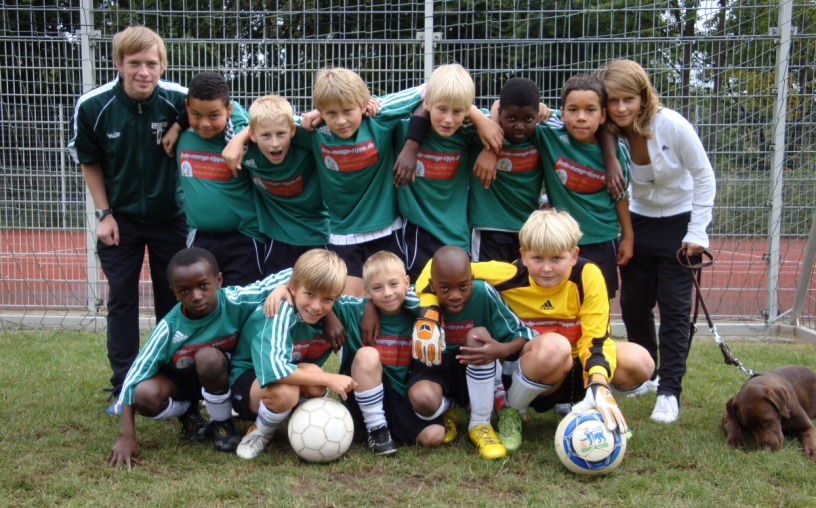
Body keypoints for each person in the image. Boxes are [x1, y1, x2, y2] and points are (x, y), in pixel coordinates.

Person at [414, 210, 654, 452]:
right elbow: (435, 267)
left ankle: (595, 407)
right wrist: (431, 312)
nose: (546, 268)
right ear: (523, 256)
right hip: (532, 367)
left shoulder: (588, 276)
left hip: (576, 367)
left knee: (642, 361)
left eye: (557, 259)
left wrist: (599, 384)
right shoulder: (510, 275)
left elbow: (596, 337)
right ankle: (512, 410)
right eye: (537, 258)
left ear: (574, 255)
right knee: (555, 346)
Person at [67, 26, 188, 414]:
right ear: (119, 63)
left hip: (172, 218)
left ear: (162, 65)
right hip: (120, 220)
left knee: (175, 300)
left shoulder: (180, 101)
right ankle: (124, 386)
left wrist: (180, 123)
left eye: (151, 63)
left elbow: (221, 112)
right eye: (134, 63)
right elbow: (89, 160)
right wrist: (104, 213)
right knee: (122, 299)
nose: (143, 72)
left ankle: (174, 383)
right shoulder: (93, 106)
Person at [222, 69, 426, 296]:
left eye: (348, 110)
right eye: (331, 113)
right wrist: (240, 138)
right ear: (320, 111)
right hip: (341, 235)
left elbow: (429, 89)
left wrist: (410, 144)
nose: (341, 121)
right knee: (350, 308)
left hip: (388, 229)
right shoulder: (312, 128)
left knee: (391, 300)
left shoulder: (379, 116)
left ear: (363, 104)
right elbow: (271, 125)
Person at [596, 59, 716, 424]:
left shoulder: (672, 125)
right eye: (613, 101)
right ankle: (648, 373)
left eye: (628, 99)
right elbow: (573, 112)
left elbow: (704, 176)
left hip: (680, 225)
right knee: (633, 305)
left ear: (643, 97)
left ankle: (669, 391)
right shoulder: (608, 131)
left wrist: (697, 232)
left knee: (676, 310)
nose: (620, 108)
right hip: (638, 223)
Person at [107, 248, 293, 469]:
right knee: (144, 395)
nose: (195, 296)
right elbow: (133, 378)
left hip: (221, 376)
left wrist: (282, 289)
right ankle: (188, 411)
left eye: (203, 286)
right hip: (182, 382)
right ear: (174, 293)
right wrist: (126, 435)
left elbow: (296, 273)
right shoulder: (169, 327)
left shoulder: (235, 300)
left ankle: (222, 425)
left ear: (218, 280)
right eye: (184, 290)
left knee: (208, 358)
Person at [407, 245, 536, 460]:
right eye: (445, 289)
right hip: (434, 369)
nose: (456, 296)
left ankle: (480, 424)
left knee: (478, 334)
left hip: (472, 370)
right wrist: (372, 311)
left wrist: (500, 349)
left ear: (472, 280)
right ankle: (446, 408)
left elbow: (522, 332)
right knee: (422, 399)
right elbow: (387, 300)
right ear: (431, 285)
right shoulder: (419, 298)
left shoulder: (483, 292)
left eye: (463, 286)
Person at [227, 249, 357, 460]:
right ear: (293, 288)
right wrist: (330, 378)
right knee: (287, 390)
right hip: (248, 381)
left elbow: (363, 304)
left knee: (315, 379)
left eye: (327, 299)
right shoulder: (280, 309)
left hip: (282, 375)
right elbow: (276, 371)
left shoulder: (333, 309)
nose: (316, 306)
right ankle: (260, 432)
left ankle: (304, 426)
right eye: (310, 295)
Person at [391, 64, 503, 280]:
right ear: (427, 103)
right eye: (442, 109)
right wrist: (411, 145)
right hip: (416, 235)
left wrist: (490, 148)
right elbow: (373, 107)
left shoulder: (469, 132)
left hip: (457, 235)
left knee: (457, 301)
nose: (448, 119)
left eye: (458, 111)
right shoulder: (401, 126)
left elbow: (502, 112)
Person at [335, 252, 446, 454]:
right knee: (367, 354)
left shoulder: (420, 309)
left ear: (406, 282)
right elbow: (320, 297)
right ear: (366, 291)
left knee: (435, 435)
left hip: (400, 396)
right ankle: (377, 429)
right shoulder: (355, 310)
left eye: (393, 284)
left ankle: (442, 408)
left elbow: (441, 291)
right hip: (362, 392)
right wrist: (331, 318)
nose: (387, 293)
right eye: (377, 288)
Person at [536, 74, 633, 299]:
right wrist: (539, 108)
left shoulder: (617, 150)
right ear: (562, 111)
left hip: (602, 239)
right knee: (562, 304)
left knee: (598, 303)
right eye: (572, 110)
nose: (581, 117)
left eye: (590, 110)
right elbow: (511, 110)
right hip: (562, 243)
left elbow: (620, 196)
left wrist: (627, 236)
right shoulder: (549, 133)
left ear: (603, 115)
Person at [172, 72, 266, 287]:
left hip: (244, 238)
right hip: (200, 239)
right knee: (204, 306)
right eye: (196, 114)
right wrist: (178, 125)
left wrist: (239, 138)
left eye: (214, 115)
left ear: (228, 110)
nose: (204, 123)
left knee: (242, 305)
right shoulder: (182, 136)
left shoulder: (240, 136)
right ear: (187, 109)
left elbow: (266, 124)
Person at [243, 94, 330, 274]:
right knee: (276, 297)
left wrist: (322, 112)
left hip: (318, 234)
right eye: (266, 135)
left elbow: (344, 118)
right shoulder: (243, 151)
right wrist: (237, 140)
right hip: (276, 239)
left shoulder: (308, 138)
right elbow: (228, 109)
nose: (275, 144)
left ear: (292, 130)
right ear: (251, 134)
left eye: (281, 134)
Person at [468, 77, 545, 263]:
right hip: (488, 228)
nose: (519, 126)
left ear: (538, 115)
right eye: (510, 119)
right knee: (488, 287)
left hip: (527, 230)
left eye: (528, 119)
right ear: (500, 114)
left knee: (522, 289)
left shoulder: (543, 133)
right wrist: (490, 148)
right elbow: (460, 105)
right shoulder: (481, 130)